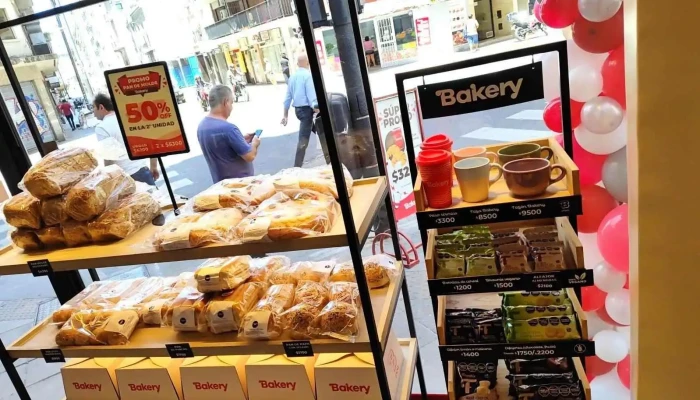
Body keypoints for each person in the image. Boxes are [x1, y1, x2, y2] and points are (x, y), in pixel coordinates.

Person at [198, 85, 261, 183]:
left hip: (220, 184)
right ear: (225, 102)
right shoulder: (228, 129)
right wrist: (254, 143)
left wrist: (241, 140)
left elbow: (221, 147)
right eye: (231, 103)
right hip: (240, 186)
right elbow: (250, 156)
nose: (232, 107)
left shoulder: (202, 126)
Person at [92, 94, 160, 185]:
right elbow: (151, 141)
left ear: (101, 107)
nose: (93, 113)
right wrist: (153, 165)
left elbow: (109, 158)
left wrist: (109, 179)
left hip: (126, 177)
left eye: (93, 107)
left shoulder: (101, 127)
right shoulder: (130, 118)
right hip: (144, 171)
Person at [281, 53, 329, 168]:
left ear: (297, 64)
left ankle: (330, 158)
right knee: (304, 140)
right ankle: (296, 167)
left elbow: (287, 97)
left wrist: (285, 115)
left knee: (321, 131)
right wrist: (316, 108)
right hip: (307, 111)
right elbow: (311, 96)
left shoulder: (292, 77)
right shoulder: (308, 76)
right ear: (308, 63)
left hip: (298, 111)